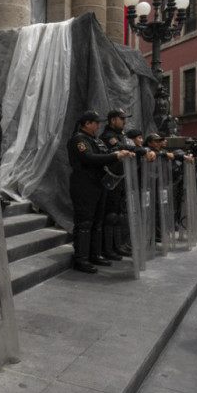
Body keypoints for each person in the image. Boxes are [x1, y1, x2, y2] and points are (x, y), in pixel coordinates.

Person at [68, 110, 134, 273]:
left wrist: (119, 154)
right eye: (96, 123)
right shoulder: (79, 140)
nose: (98, 126)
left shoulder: (95, 140)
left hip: (99, 184)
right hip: (84, 185)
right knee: (84, 222)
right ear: (87, 124)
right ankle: (81, 259)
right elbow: (89, 158)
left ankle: (95, 254)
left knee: (97, 222)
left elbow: (104, 154)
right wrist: (115, 156)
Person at [99, 108, 134, 259]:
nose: (125, 121)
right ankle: (109, 249)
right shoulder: (108, 136)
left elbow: (130, 146)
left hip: (122, 178)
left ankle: (118, 245)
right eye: (122, 118)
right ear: (113, 120)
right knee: (111, 215)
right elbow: (120, 148)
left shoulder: (122, 135)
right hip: (111, 180)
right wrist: (137, 149)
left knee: (119, 214)